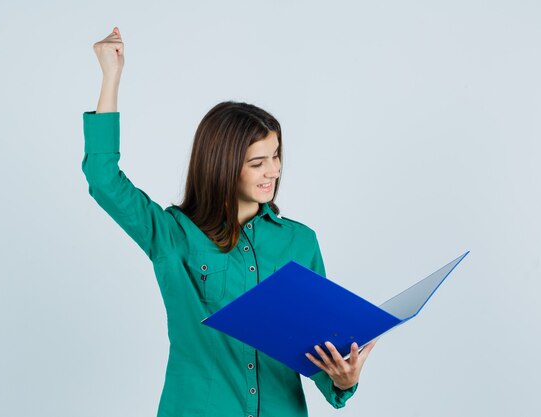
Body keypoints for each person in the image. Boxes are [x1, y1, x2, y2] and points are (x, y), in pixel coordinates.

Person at [82, 27, 376, 417]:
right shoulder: (174, 236)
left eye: (276, 156)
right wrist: (111, 76)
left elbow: (317, 349)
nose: (272, 171)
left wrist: (343, 379)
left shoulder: (301, 243)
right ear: (222, 166)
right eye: (257, 162)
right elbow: (103, 179)